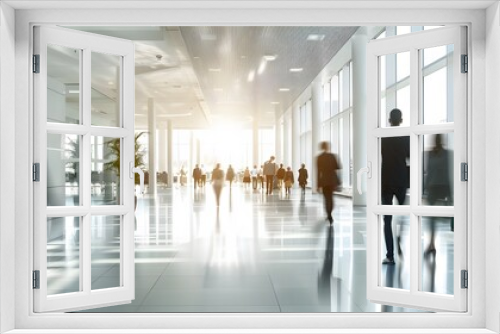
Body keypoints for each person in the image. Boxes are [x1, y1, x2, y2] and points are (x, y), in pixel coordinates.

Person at [381, 108, 410, 265]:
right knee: (403, 212)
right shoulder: (406, 136)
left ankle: (390, 255)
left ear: (389, 120)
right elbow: (410, 156)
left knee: (387, 219)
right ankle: (399, 235)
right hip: (401, 179)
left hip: (386, 180)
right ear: (402, 120)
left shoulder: (383, 136)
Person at [424, 134, 452, 258]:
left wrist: (451, 194)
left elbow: (448, 172)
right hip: (433, 187)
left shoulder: (447, 154)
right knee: (431, 218)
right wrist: (424, 190)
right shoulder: (430, 154)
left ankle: (431, 244)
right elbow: (428, 172)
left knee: (436, 217)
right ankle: (431, 244)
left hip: (442, 186)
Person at [317, 141, 341, 225]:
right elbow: (337, 168)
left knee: (326, 198)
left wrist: (318, 184)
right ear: (327, 147)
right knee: (331, 198)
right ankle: (330, 214)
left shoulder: (319, 157)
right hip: (332, 180)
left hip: (324, 180)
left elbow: (318, 172)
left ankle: (328, 214)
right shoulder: (332, 156)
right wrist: (339, 182)